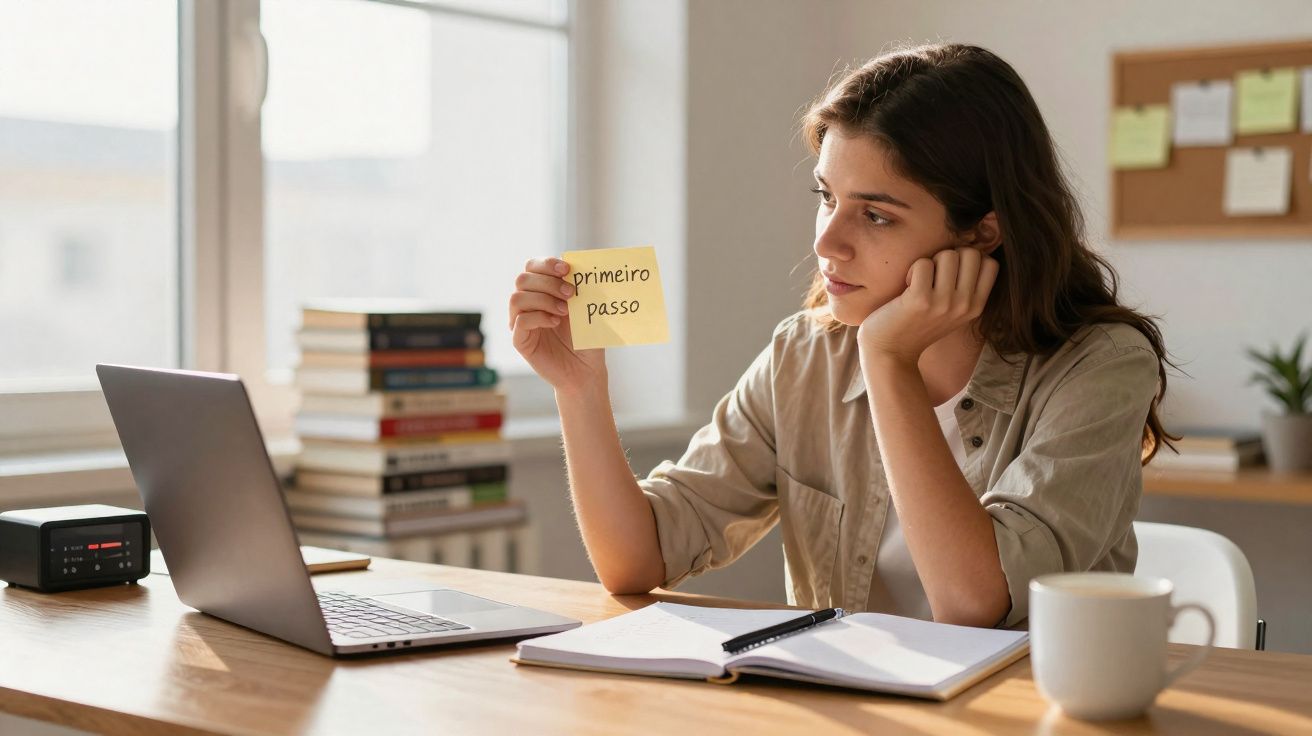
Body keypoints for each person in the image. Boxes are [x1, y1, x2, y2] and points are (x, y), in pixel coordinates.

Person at [507, 42, 1172, 628]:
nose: (828, 241)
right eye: (827, 197)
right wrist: (580, 388)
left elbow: (976, 604)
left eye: (876, 215)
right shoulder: (805, 353)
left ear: (981, 233)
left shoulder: (1101, 367)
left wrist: (888, 361)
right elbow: (635, 561)